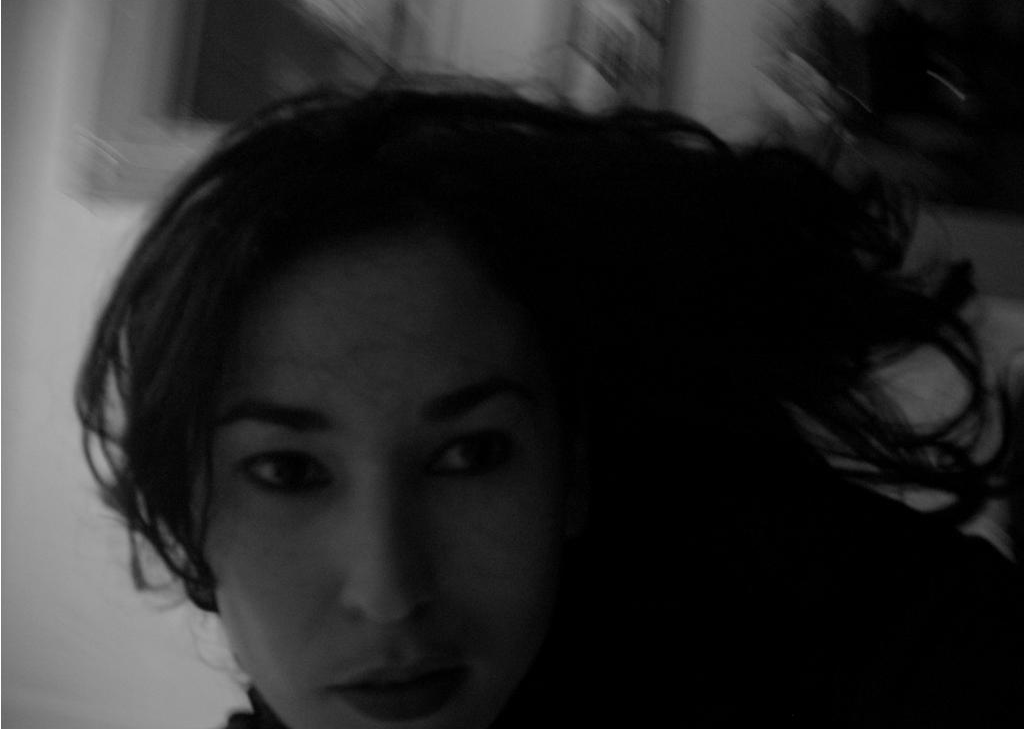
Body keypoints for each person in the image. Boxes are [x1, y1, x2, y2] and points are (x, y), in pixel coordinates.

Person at [76, 87, 1023, 729]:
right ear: (187, 514)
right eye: (287, 471)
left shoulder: (870, 649)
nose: (390, 590)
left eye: (470, 455)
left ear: (571, 472)